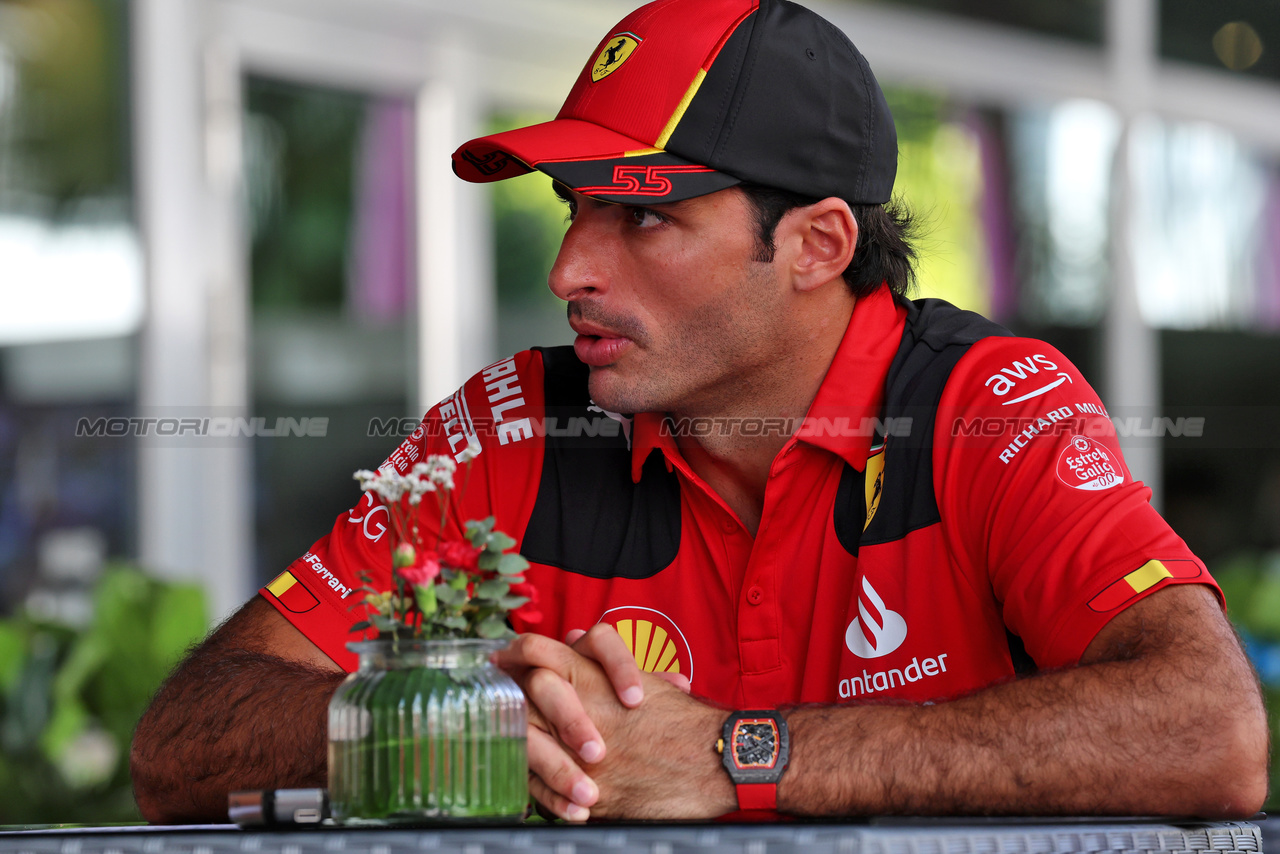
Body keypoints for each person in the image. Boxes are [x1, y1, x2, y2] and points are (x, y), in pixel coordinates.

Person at [130, 0, 1268, 824]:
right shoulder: (514, 421)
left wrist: (737, 756)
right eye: (574, 209)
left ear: (815, 244)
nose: (570, 266)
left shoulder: (984, 405)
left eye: (643, 217)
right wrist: (473, 718)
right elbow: (181, 739)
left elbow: (1207, 731)